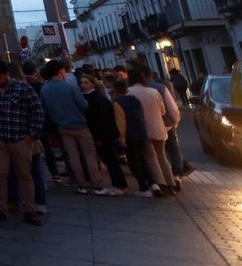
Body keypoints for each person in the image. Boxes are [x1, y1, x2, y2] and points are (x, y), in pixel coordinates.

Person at [0, 59, 45, 225]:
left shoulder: (23, 88)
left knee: (24, 175)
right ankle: (0, 209)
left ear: (7, 74)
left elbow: (38, 110)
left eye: (1, 77)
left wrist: (32, 135)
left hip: (20, 139)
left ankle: (29, 210)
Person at [38, 60, 111, 195]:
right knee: (89, 155)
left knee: (72, 156)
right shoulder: (69, 87)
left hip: (62, 126)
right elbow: (83, 105)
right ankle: (97, 184)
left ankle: (81, 184)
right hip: (80, 125)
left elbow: (44, 109)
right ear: (60, 71)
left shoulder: (44, 89)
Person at [126, 68, 176, 196]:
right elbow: (163, 110)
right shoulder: (153, 92)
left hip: (143, 129)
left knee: (150, 156)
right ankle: (171, 184)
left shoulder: (129, 92)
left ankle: (160, 184)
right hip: (159, 128)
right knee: (162, 156)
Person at [78, 71, 127, 195]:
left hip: (103, 135)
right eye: (82, 83)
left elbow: (102, 119)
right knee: (108, 160)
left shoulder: (97, 99)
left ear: (93, 84)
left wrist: (99, 136)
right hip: (100, 134)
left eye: (86, 82)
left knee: (110, 160)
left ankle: (119, 185)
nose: (83, 85)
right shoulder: (88, 98)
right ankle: (118, 184)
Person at [111, 79, 156, 196]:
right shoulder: (135, 100)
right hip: (141, 133)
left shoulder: (117, 103)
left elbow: (121, 122)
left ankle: (143, 187)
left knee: (133, 161)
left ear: (115, 91)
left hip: (129, 136)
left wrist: (122, 138)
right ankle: (153, 183)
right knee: (143, 159)